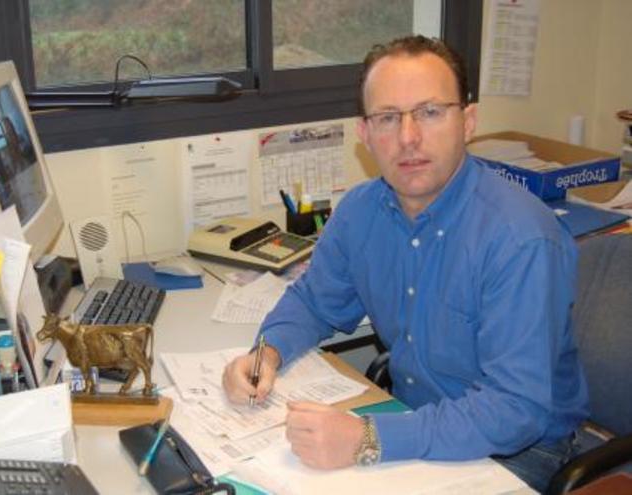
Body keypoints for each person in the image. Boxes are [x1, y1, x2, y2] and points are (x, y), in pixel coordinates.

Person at [222, 35, 589, 492]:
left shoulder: (520, 238)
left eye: (431, 112)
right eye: (388, 118)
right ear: (365, 134)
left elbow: (516, 410)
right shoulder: (360, 211)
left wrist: (369, 438)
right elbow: (316, 302)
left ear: (468, 121)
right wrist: (267, 353)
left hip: (519, 454)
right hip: (415, 421)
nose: (408, 137)